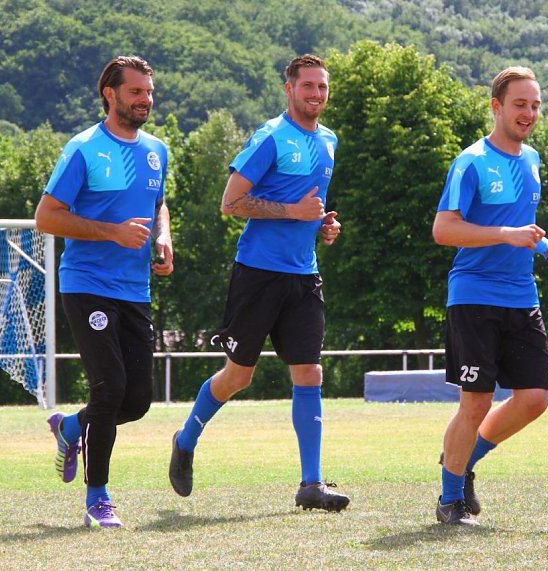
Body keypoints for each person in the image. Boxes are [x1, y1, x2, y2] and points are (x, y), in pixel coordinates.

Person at [167, 54, 348, 512]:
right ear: (289, 89)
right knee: (239, 376)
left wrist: (323, 225)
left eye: (322, 87)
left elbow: (309, 207)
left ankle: (311, 484)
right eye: (308, 86)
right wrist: (292, 212)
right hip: (258, 274)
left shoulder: (329, 141)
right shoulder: (271, 137)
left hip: (304, 276)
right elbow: (231, 203)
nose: (316, 94)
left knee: (309, 372)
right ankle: (186, 439)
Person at [35, 55, 174, 529]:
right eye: (136, 92)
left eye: (149, 92)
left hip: (135, 290)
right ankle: (98, 498)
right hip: (87, 284)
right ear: (109, 95)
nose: (145, 100)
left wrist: (163, 237)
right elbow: (47, 217)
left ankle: (71, 426)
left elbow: (159, 203)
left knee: (135, 402)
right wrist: (112, 232)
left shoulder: (156, 149)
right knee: (109, 388)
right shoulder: (84, 148)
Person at [432, 66, 548, 526]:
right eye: (519, 105)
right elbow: (444, 229)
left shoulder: (532, 160)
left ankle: (462, 460)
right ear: (496, 107)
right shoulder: (471, 161)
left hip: (522, 296)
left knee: (535, 398)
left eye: (535, 105)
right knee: (476, 402)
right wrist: (505, 235)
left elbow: (520, 227)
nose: (528, 113)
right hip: (474, 297)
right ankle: (451, 499)